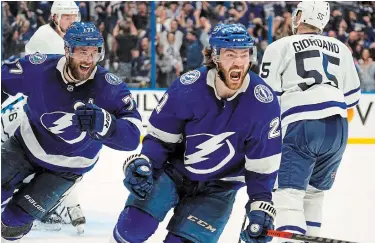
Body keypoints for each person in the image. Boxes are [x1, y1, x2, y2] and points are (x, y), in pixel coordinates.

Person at [110, 23, 281, 243]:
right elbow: (160, 141)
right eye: (230, 55)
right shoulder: (187, 88)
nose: (239, 61)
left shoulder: (263, 103)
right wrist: (146, 167)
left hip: (220, 188)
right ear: (214, 57)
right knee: (131, 229)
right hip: (173, 173)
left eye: (244, 54)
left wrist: (261, 207)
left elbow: (262, 167)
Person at [1, 22, 142, 242]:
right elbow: (3, 80)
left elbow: (133, 136)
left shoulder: (110, 87)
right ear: (67, 51)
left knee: (12, 225)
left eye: (94, 53)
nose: (88, 59)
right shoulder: (40, 68)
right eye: (82, 52)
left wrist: (106, 125)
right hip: (26, 145)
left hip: (67, 168)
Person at [259, 1, 361, 242]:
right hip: (338, 127)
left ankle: (290, 237)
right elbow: (352, 98)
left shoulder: (279, 46)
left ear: (301, 16)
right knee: (315, 194)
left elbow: (266, 97)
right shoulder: (342, 49)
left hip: (302, 122)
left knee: (288, 194)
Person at [1, 1, 87, 233]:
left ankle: (53, 202)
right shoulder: (45, 37)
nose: (71, 22)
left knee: (68, 152)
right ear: (54, 18)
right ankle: (51, 205)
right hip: (32, 105)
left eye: (74, 17)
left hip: (48, 105)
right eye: (66, 17)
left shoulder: (75, 40)